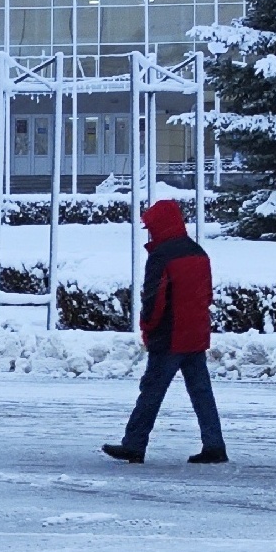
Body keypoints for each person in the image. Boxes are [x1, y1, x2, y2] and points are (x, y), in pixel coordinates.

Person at [102, 198, 227, 465]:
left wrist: (147, 329)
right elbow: (206, 295)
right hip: (195, 335)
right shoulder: (198, 252)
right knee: (201, 391)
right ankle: (214, 444)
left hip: (169, 337)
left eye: (151, 227)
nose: (149, 232)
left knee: (152, 391)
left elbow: (155, 301)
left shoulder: (161, 256)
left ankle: (134, 444)